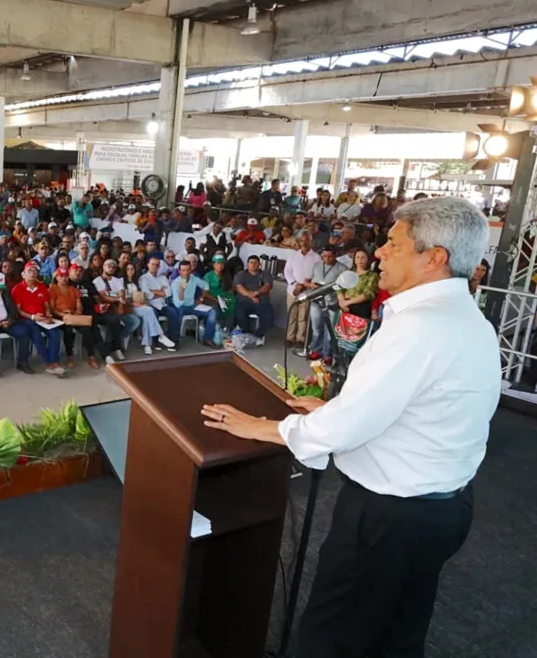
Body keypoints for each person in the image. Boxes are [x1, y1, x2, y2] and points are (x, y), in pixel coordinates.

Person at [201, 196, 498, 658]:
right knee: (396, 631)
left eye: (393, 245)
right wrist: (332, 406)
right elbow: (413, 408)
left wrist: (260, 426)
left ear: (433, 258)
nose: (378, 253)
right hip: (441, 509)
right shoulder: (468, 319)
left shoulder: (417, 327)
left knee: (333, 635)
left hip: (388, 517)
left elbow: (346, 429)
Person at [11, 262, 65, 376]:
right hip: (27, 319)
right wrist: (33, 317)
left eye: (35, 271)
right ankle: (52, 362)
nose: (33, 273)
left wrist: (48, 315)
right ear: (23, 274)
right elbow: (18, 310)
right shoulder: (17, 289)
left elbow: (46, 305)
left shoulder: (42, 287)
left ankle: (53, 361)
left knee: (54, 333)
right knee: (36, 335)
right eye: (30, 271)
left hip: (43, 318)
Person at [49, 266, 101, 369]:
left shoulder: (73, 289)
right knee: (68, 331)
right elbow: (52, 308)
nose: (64, 278)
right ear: (57, 278)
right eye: (61, 276)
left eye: (65, 276)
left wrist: (78, 311)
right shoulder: (53, 289)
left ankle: (91, 357)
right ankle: (70, 356)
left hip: (73, 316)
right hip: (59, 317)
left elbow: (79, 305)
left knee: (87, 330)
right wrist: (63, 315)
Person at [307, 246, 347, 361]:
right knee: (316, 328)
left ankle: (327, 355)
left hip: (332, 302)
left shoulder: (342, 268)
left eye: (330, 256)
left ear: (335, 256)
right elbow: (307, 281)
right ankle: (316, 350)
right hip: (316, 300)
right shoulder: (317, 266)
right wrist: (313, 286)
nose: (327, 259)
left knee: (329, 330)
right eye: (324, 256)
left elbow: (343, 286)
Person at [284, 232, 319, 354]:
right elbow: (287, 271)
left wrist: (304, 286)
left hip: (307, 291)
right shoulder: (293, 256)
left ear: (311, 241)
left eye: (307, 240)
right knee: (291, 314)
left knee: (303, 316)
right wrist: (295, 284)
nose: (304, 243)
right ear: (299, 242)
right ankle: (289, 337)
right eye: (302, 240)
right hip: (292, 290)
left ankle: (300, 339)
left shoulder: (316, 258)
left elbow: (316, 274)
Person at [170, 260, 219, 347]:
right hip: (180, 307)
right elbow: (178, 304)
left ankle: (207, 339)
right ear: (179, 271)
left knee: (212, 311)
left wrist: (201, 298)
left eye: (188, 270)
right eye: (183, 270)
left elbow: (206, 286)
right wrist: (182, 292)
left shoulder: (194, 278)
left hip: (192, 306)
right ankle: (174, 339)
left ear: (191, 270)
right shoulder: (175, 283)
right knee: (178, 314)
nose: (186, 273)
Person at [233, 255, 273, 345]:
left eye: (255, 263)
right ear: (247, 264)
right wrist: (250, 295)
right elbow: (239, 287)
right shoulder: (241, 274)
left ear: (259, 264)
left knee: (268, 318)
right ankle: (247, 334)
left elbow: (268, 286)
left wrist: (257, 293)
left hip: (262, 302)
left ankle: (257, 336)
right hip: (244, 301)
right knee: (239, 315)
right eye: (251, 262)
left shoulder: (265, 274)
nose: (253, 264)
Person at [336, 248, 379, 320]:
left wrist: (348, 303)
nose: (360, 259)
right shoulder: (348, 273)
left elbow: (368, 294)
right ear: (354, 260)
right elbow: (339, 288)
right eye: (358, 257)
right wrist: (341, 302)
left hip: (361, 307)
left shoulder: (372, 275)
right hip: (344, 306)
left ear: (367, 259)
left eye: (363, 257)